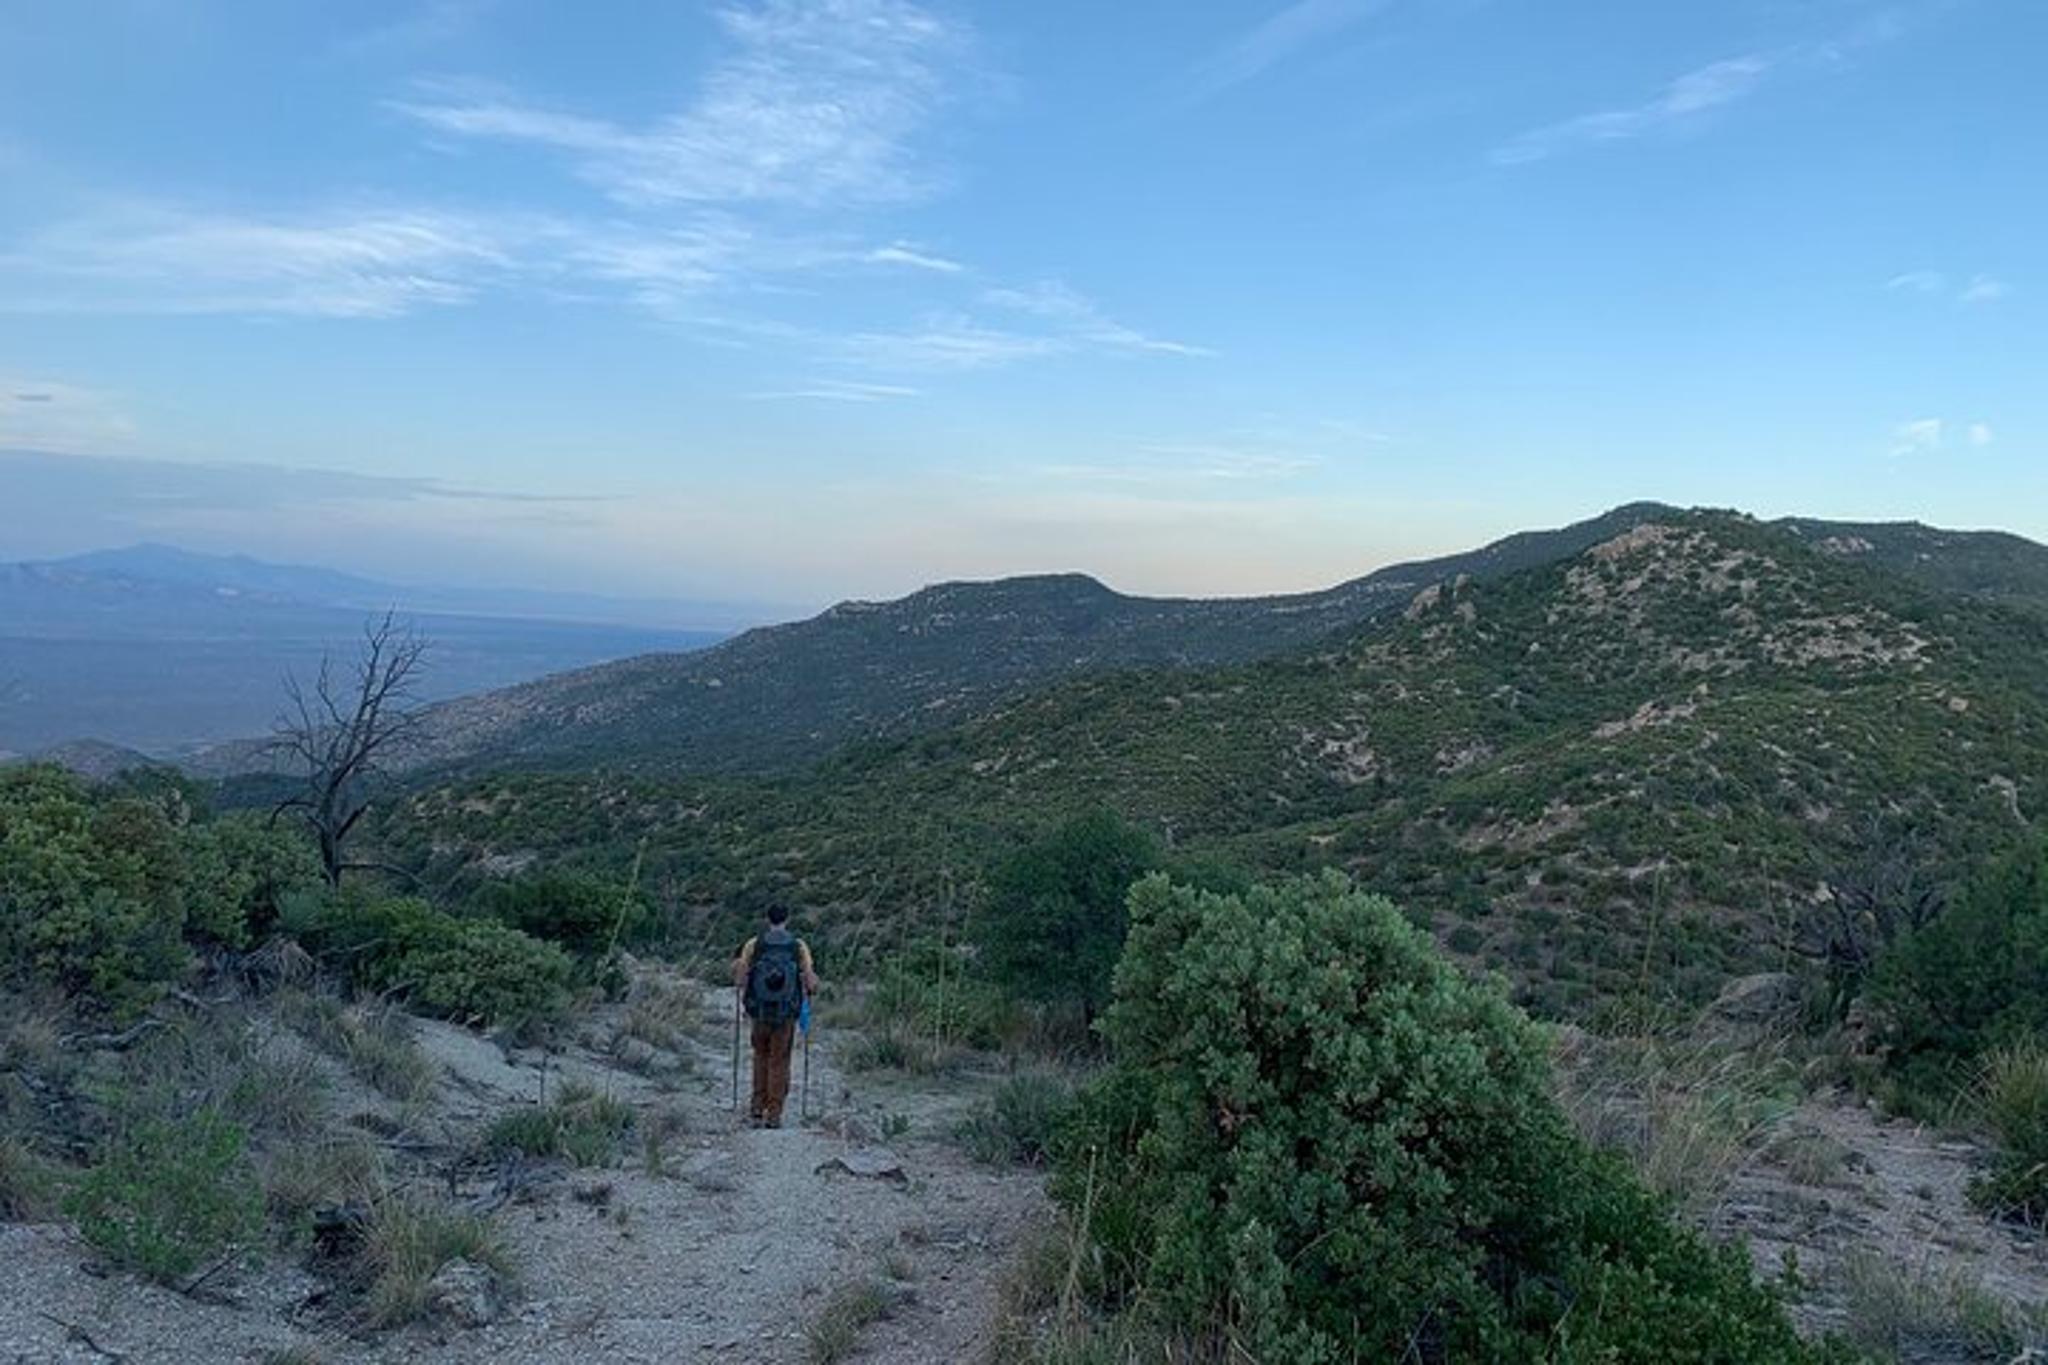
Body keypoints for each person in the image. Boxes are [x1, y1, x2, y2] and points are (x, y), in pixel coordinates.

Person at [732, 905, 820, 1128]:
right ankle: (774, 1114)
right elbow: (811, 982)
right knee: (779, 1061)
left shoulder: (754, 944)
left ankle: (756, 1108)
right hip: (785, 1013)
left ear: (767, 919)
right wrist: (810, 988)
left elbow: (740, 978)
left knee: (760, 1056)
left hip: (759, 1012)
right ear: (787, 919)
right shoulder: (798, 946)